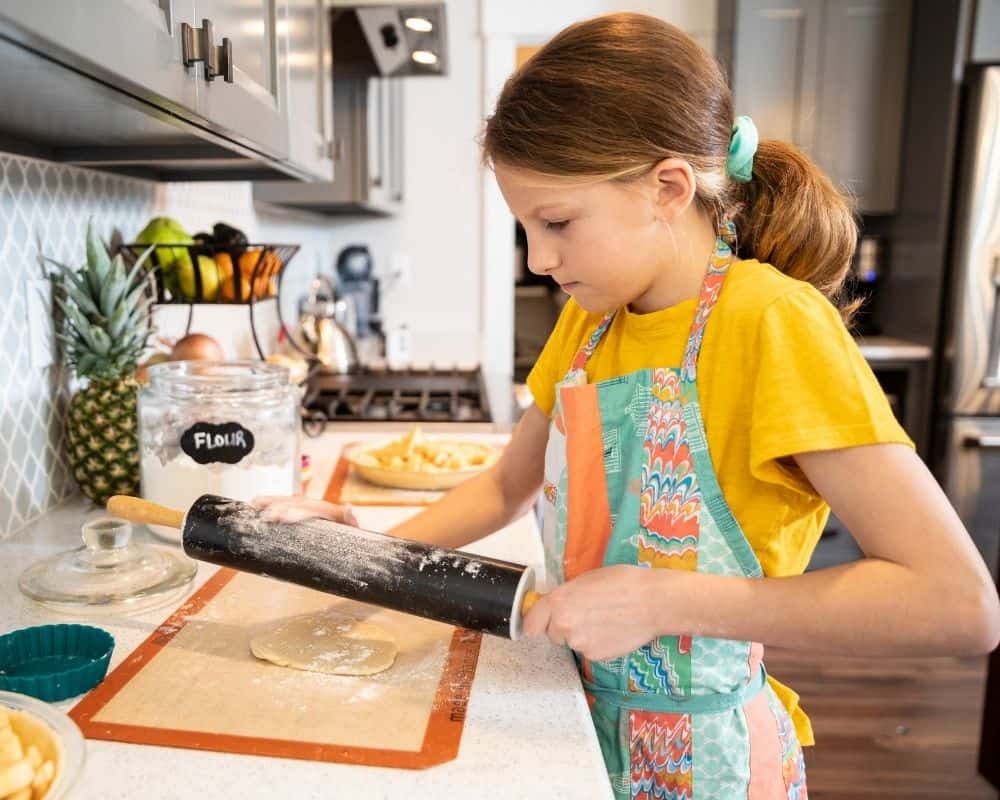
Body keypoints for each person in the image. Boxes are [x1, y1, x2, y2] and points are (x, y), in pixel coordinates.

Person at [254, 12, 1000, 798]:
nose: (541, 260)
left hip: (702, 765)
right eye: (525, 229)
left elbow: (957, 603)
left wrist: (666, 599)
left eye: (558, 223)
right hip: (569, 724)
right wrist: (365, 562)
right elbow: (506, 486)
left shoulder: (771, 323)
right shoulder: (591, 318)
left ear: (667, 188)